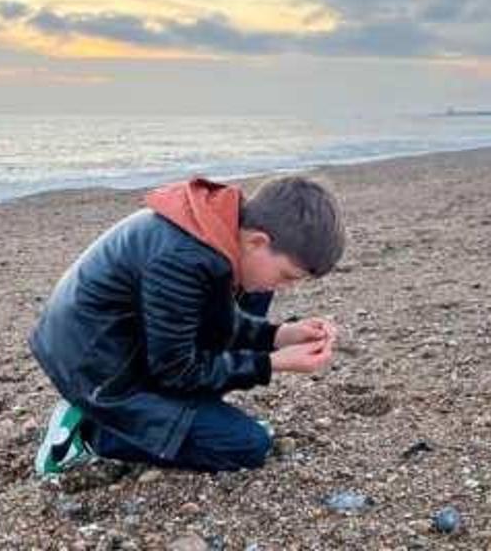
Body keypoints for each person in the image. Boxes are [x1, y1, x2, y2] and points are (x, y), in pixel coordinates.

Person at [27, 175, 346, 475]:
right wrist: (272, 363)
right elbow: (176, 370)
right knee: (246, 446)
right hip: (95, 369)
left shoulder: (219, 234)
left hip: (128, 342)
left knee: (255, 295)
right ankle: (88, 432)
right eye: (288, 275)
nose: (287, 287)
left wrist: (280, 335)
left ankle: (183, 412)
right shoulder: (182, 259)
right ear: (258, 241)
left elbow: (218, 321)